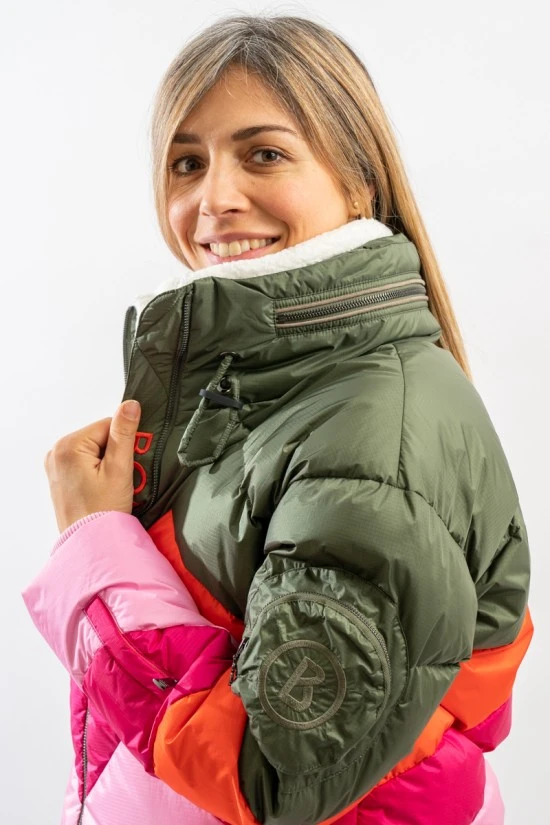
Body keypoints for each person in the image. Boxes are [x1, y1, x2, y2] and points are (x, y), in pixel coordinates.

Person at [23, 14, 533, 825]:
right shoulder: (261, 388)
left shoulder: (372, 441)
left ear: (359, 179)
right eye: (187, 162)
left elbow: (270, 774)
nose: (214, 199)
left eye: (263, 154)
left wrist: (97, 548)